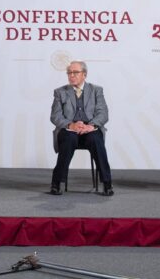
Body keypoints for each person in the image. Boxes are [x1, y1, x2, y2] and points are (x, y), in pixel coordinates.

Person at [49, 60, 114, 196]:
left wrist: (91, 125)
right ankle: (57, 183)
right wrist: (70, 125)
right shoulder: (60, 92)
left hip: (90, 129)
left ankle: (107, 183)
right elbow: (55, 116)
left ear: (84, 74)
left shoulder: (97, 90)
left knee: (96, 140)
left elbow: (103, 113)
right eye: (69, 73)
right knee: (69, 139)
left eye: (75, 72)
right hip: (68, 130)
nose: (71, 75)